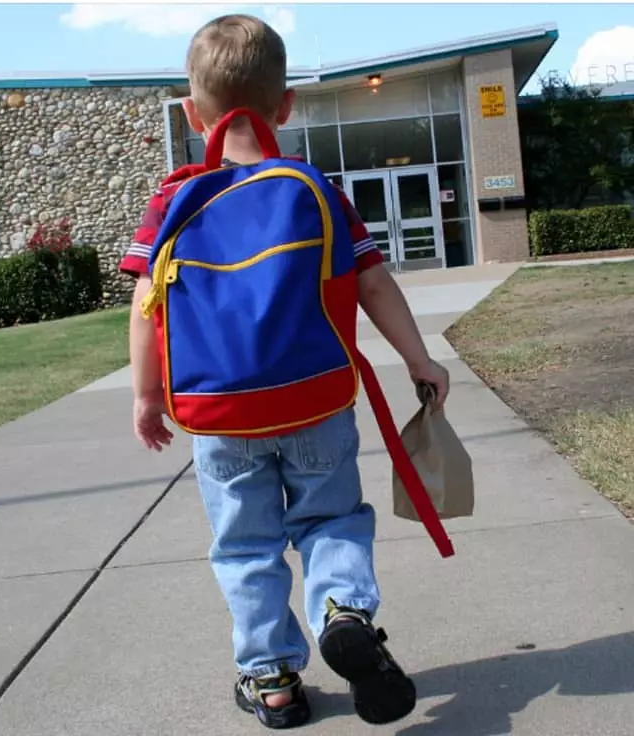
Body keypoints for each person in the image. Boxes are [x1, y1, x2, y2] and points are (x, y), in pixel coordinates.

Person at [120, 13, 450, 730]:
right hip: (316, 403)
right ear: (288, 105)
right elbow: (373, 283)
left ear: (192, 113)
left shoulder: (172, 200)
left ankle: (271, 679)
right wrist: (419, 359)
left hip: (219, 415)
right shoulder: (316, 190)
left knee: (246, 546)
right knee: (332, 518)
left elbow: (146, 305)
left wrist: (147, 395)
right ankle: (343, 610)